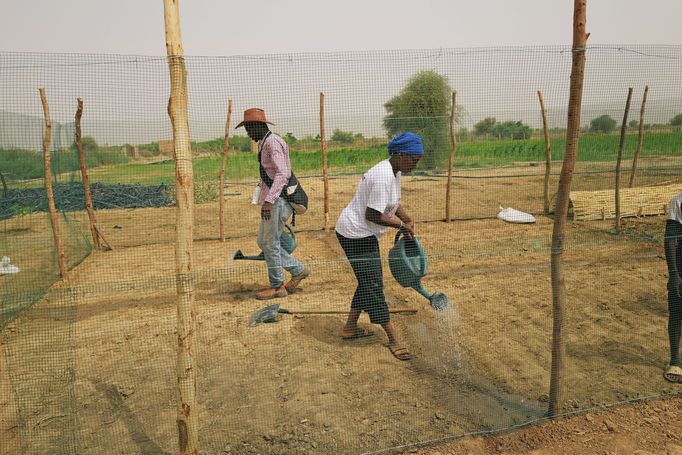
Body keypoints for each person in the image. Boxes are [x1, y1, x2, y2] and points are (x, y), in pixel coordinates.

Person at [334, 132, 423, 361]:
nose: (416, 163)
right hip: (355, 234)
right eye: (414, 159)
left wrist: (407, 218)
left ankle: (350, 327)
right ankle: (393, 338)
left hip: (363, 233)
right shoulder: (383, 175)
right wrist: (401, 226)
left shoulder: (394, 171)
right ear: (400, 154)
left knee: (367, 280)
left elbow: (392, 203)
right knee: (373, 284)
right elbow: (373, 214)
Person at [236, 108, 310, 300]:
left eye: (249, 130)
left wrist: (269, 201)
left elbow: (282, 173)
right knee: (264, 242)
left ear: (258, 126)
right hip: (273, 200)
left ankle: (277, 286)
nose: (248, 134)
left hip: (278, 200)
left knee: (270, 243)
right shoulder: (265, 142)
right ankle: (298, 269)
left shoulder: (272, 143)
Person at [664, 192, 682, 383]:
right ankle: (675, 359)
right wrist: (674, 273)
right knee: (677, 311)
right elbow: (671, 239)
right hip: (681, 266)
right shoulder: (678, 202)